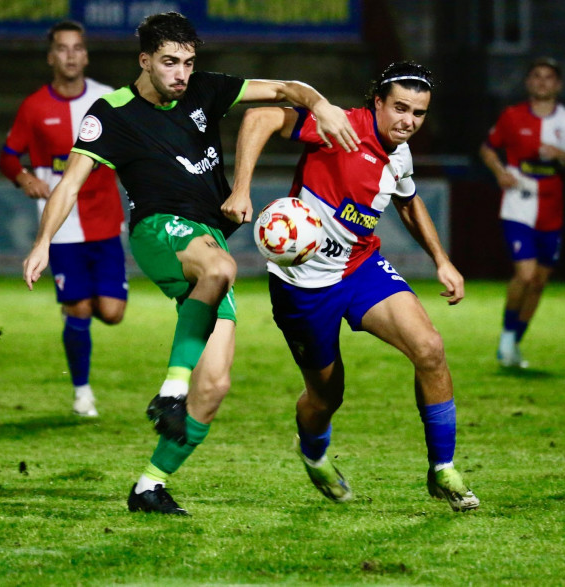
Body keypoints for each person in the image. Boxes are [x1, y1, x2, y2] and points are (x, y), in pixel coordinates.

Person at [23, 11, 360, 515]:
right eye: (169, 63)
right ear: (144, 60)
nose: (181, 73)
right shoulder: (111, 112)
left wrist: (321, 105)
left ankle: (149, 485)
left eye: (187, 62)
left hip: (204, 237)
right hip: (160, 230)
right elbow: (70, 182)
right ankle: (170, 391)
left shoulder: (205, 89)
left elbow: (286, 88)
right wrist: (43, 241)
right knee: (222, 269)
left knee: (216, 385)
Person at [223, 61, 480, 512]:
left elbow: (407, 200)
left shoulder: (399, 153)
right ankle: (314, 452)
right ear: (377, 102)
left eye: (418, 113)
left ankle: (443, 469)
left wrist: (441, 260)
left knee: (430, 349)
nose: (408, 121)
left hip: (360, 269)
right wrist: (241, 189)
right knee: (326, 395)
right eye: (400, 108)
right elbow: (259, 116)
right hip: (302, 286)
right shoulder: (336, 125)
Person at [0, 20, 127, 417]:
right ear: (51, 56)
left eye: (77, 48)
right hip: (62, 226)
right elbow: (8, 156)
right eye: (62, 48)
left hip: (105, 219)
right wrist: (23, 178)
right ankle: (82, 391)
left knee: (112, 312)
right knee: (81, 311)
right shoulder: (35, 106)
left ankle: (73, 303)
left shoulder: (109, 99)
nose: (70, 55)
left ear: (86, 55)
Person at [479, 57, 565, 368]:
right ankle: (505, 340)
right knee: (526, 274)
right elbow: (488, 148)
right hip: (519, 204)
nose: (542, 82)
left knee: (539, 281)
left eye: (548, 77)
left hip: (552, 210)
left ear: (557, 85)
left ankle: (515, 342)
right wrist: (499, 171)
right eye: (536, 76)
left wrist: (563, 155)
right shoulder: (512, 116)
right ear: (529, 82)